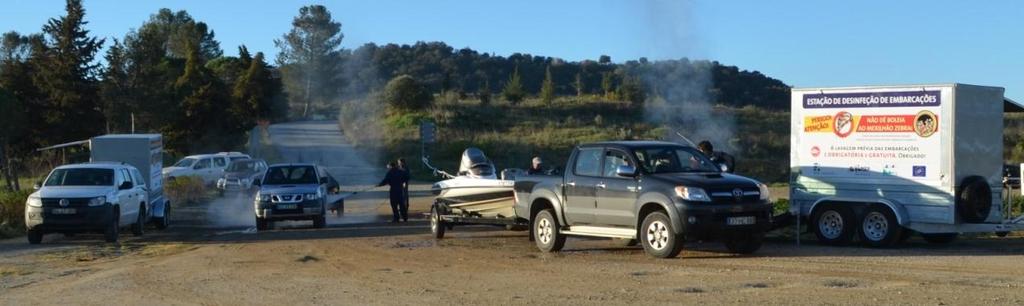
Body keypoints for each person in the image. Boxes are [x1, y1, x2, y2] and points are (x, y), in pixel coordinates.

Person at [396, 158, 410, 222]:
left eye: (399, 162)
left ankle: (405, 215)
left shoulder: (406, 168)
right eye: (398, 162)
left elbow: (408, 177)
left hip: (404, 186)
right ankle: (400, 213)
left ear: (403, 162)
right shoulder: (398, 168)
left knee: (405, 200)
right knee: (398, 200)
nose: (399, 163)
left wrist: (404, 182)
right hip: (398, 186)